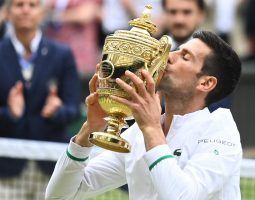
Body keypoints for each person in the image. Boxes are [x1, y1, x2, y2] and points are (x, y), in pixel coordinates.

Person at [46, 30, 242, 200]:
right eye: (176, 49)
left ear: (206, 83)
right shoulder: (139, 133)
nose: (169, 56)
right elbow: (59, 195)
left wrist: (151, 129)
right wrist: (89, 129)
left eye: (185, 56)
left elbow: (183, 196)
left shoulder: (221, 131)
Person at [0, 0, 81, 199]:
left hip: (51, 168)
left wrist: (57, 111)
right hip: (6, 168)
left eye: (32, 4)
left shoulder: (62, 54)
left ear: (42, 13)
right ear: (8, 13)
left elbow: (75, 110)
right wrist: (9, 113)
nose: (26, 10)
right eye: (19, 5)